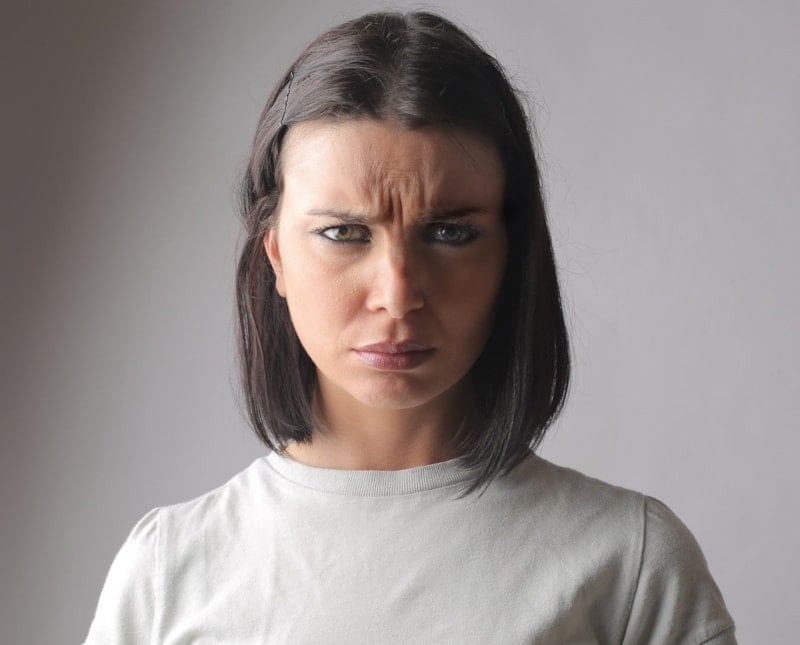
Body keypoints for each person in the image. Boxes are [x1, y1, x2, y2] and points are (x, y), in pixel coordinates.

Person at [84, 11, 736, 644]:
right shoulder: (168, 572)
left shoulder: (630, 566)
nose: (397, 297)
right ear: (275, 255)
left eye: (449, 233)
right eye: (344, 233)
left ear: (512, 256)